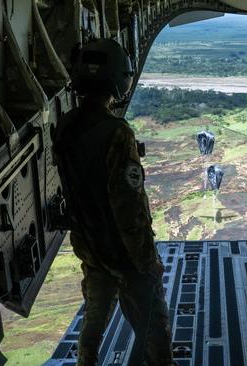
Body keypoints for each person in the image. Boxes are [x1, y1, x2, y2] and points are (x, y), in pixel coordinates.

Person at [53, 38, 173, 366]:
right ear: (118, 79)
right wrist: (148, 262)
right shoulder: (117, 133)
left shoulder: (64, 127)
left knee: (93, 320)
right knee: (155, 329)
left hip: (91, 248)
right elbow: (129, 207)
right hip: (124, 255)